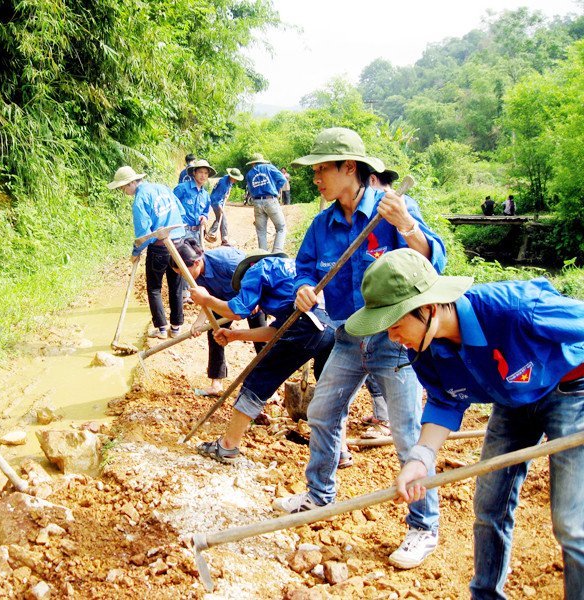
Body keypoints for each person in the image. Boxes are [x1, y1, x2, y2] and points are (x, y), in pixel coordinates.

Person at [345, 248, 584, 600]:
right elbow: (444, 401)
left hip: (571, 390)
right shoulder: (423, 347)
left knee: (571, 524)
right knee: (490, 507)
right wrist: (420, 458)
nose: (393, 338)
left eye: (395, 325)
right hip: (512, 400)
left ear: (427, 308)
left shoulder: (517, 309)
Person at [274, 127, 447, 571]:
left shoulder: (392, 210)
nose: (316, 179)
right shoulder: (322, 224)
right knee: (322, 412)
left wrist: (406, 225)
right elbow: (303, 269)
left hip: (397, 341)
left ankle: (423, 526)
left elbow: (434, 262)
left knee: (409, 436)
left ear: (349, 168)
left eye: (321, 170)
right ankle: (318, 495)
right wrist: (304, 289)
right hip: (349, 337)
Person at [189, 251, 336, 464]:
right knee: (329, 388)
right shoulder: (292, 273)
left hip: (309, 325)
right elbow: (278, 330)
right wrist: (234, 336)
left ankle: (228, 446)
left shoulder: (258, 268)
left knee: (257, 379)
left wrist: (207, 299)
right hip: (333, 326)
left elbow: (238, 311)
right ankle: (337, 452)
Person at [171, 239, 267, 397]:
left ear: (196, 262)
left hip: (250, 296)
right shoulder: (193, 275)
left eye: (183, 273)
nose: (184, 277)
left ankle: (268, 385)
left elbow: (255, 272)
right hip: (224, 301)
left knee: (261, 339)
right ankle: (216, 384)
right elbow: (207, 297)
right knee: (215, 333)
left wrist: (257, 298)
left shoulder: (226, 261)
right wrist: (199, 322)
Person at [107, 165, 185, 339]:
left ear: (131, 184)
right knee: (176, 285)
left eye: (122, 187)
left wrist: (136, 252)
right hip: (179, 243)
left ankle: (162, 329)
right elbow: (181, 211)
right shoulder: (162, 188)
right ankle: (176, 327)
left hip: (160, 247)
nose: (123, 191)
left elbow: (144, 234)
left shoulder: (140, 199)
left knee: (154, 288)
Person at [246, 153, 288, 253]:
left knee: (261, 232)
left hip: (257, 202)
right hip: (270, 200)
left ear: (253, 164)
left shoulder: (249, 174)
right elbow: (282, 179)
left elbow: (250, 190)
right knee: (281, 227)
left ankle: (263, 255)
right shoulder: (268, 167)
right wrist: (276, 189)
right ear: (262, 161)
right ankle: (277, 252)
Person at [174, 159, 215, 247]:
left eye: (206, 173)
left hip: (197, 234)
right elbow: (171, 206)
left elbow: (205, 211)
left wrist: (204, 217)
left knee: (196, 259)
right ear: (194, 172)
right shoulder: (182, 188)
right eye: (200, 172)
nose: (203, 175)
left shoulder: (205, 195)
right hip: (182, 233)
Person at [206, 167, 243, 247]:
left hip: (219, 201)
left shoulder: (228, 178)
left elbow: (230, 185)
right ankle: (224, 240)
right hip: (216, 203)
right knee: (223, 219)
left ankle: (211, 233)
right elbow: (216, 198)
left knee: (220, 219)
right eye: (235, 179)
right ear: (231, 176)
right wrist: (220, 208)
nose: (236, 180)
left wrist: (228, 193)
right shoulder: (223, 183)